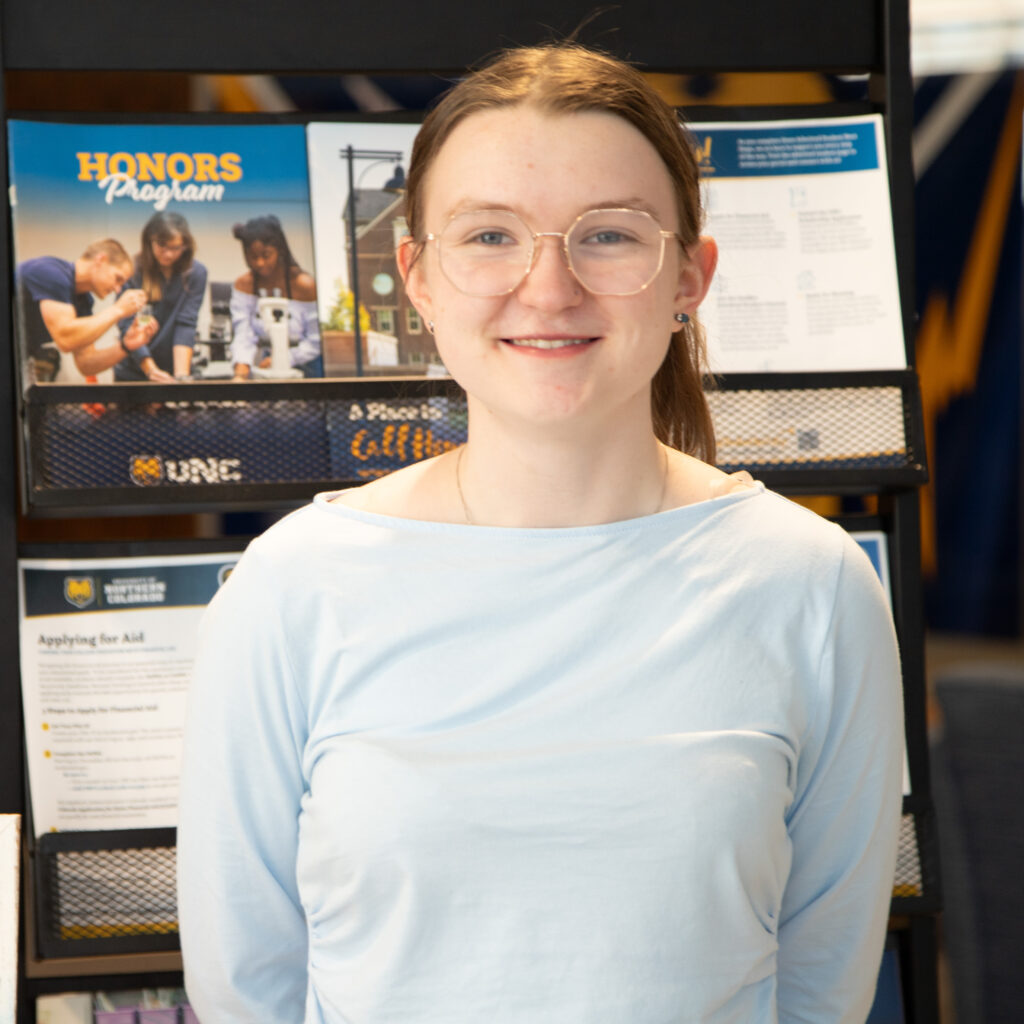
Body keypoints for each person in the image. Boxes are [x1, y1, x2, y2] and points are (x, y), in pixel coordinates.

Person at [178, 43, 903, 1023]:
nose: (549, 286)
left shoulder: (811, 586)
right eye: (489, 236)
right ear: (417, 278)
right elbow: (244, 989)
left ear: (689, 275)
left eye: (607, 236)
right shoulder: (289, 588)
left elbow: (822, 984)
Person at [15, 239, 151, 382]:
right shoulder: (50, 273)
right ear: (101, 260)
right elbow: (65, 339)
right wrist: (118, 310)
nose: (117, 289)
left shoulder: (84, 302)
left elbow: (86, 364)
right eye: (117, 279)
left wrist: (126, 346)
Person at [114, 211, 207, 383]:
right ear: (150, 240)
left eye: (175, 248)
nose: (168, 254)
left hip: (174, 369)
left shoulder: (196, 273)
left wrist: (181, 378)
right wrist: (151, 371)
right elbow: (127, 326)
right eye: (162, 246)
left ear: (185, 245)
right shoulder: (132, 271)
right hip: (133, 372)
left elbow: (186, 324)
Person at [228, 215, 321, 378]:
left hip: (306, 367)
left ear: (280, 250)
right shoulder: (244, 285)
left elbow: (315, 342)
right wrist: (241, 371)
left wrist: (285, 359)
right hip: (266, 367)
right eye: (253, 256)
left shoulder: (305, 285)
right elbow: (243, 334)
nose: (260, 263)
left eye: (266, 255)